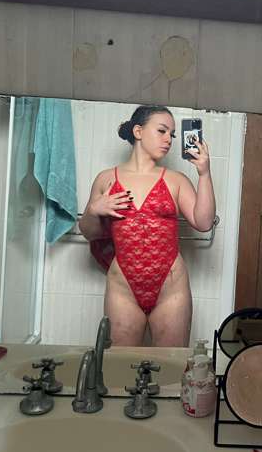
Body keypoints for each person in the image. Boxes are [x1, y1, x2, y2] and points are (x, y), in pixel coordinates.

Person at [80, 105, 215, 347]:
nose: (168, 139)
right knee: (120, 364)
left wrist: (204, 174)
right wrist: (93, 210)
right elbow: (90, 233)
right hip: (123, 288)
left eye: (172, 134)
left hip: (171, 288)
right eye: (162, 131)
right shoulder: (106, 178)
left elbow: (204, 223)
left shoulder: (176, 180)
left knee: (171, 365)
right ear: (138, 131)